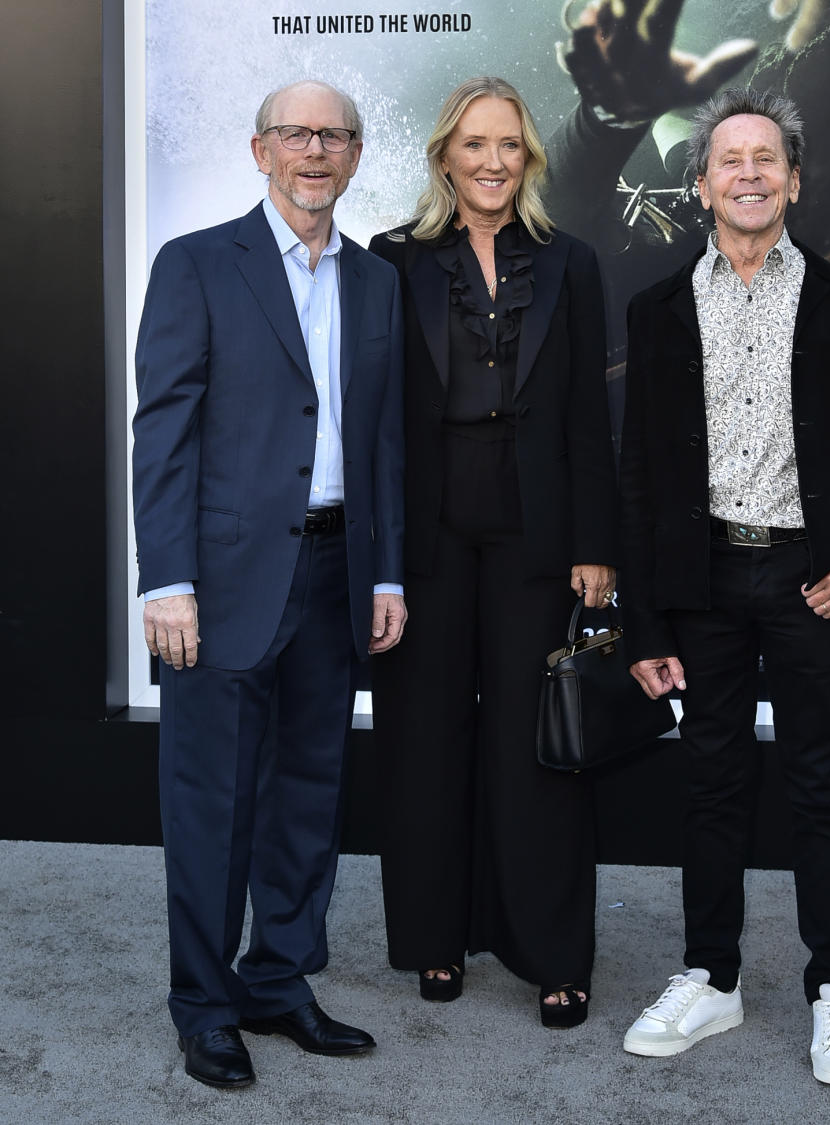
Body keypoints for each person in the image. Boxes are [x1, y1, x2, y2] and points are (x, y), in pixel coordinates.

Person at [617, 86, 830, 1086]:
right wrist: (647, 619)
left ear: (795, 180)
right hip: (701, 577)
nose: (747, 173)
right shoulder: (657, 310)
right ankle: (711, 975)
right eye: (728, 159)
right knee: (710, 784)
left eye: (766, 158)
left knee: (819, 783)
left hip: (809, 580)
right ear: (701, 184)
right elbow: (639, 478)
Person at [132, 80, 406, 1089]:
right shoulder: (198, 263)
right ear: (260, 150)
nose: (316, 150)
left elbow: (384, 442)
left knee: (308, 793)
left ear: (356, 153)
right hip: (221, 580)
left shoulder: (377, 284)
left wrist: (386, 569)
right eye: (296, 133)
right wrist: (166, 578)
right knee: (210, 800)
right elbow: (161, 430)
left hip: (338, 572)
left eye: (335, 134)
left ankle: (277, 977)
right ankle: (203, 1004)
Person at [368, 77, 618, 1028]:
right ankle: (436, 939)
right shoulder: (393, 261)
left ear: (530, 158)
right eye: (473, 144)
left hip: (539, 535)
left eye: (508, 144)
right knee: (425, 743)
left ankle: (554, 951)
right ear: (444, 156)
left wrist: (597, 542)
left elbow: (591, 418)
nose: (491, 160)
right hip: (426, 534)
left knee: (539, 750)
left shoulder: (571, 263)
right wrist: (381, 554)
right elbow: (374, 421)